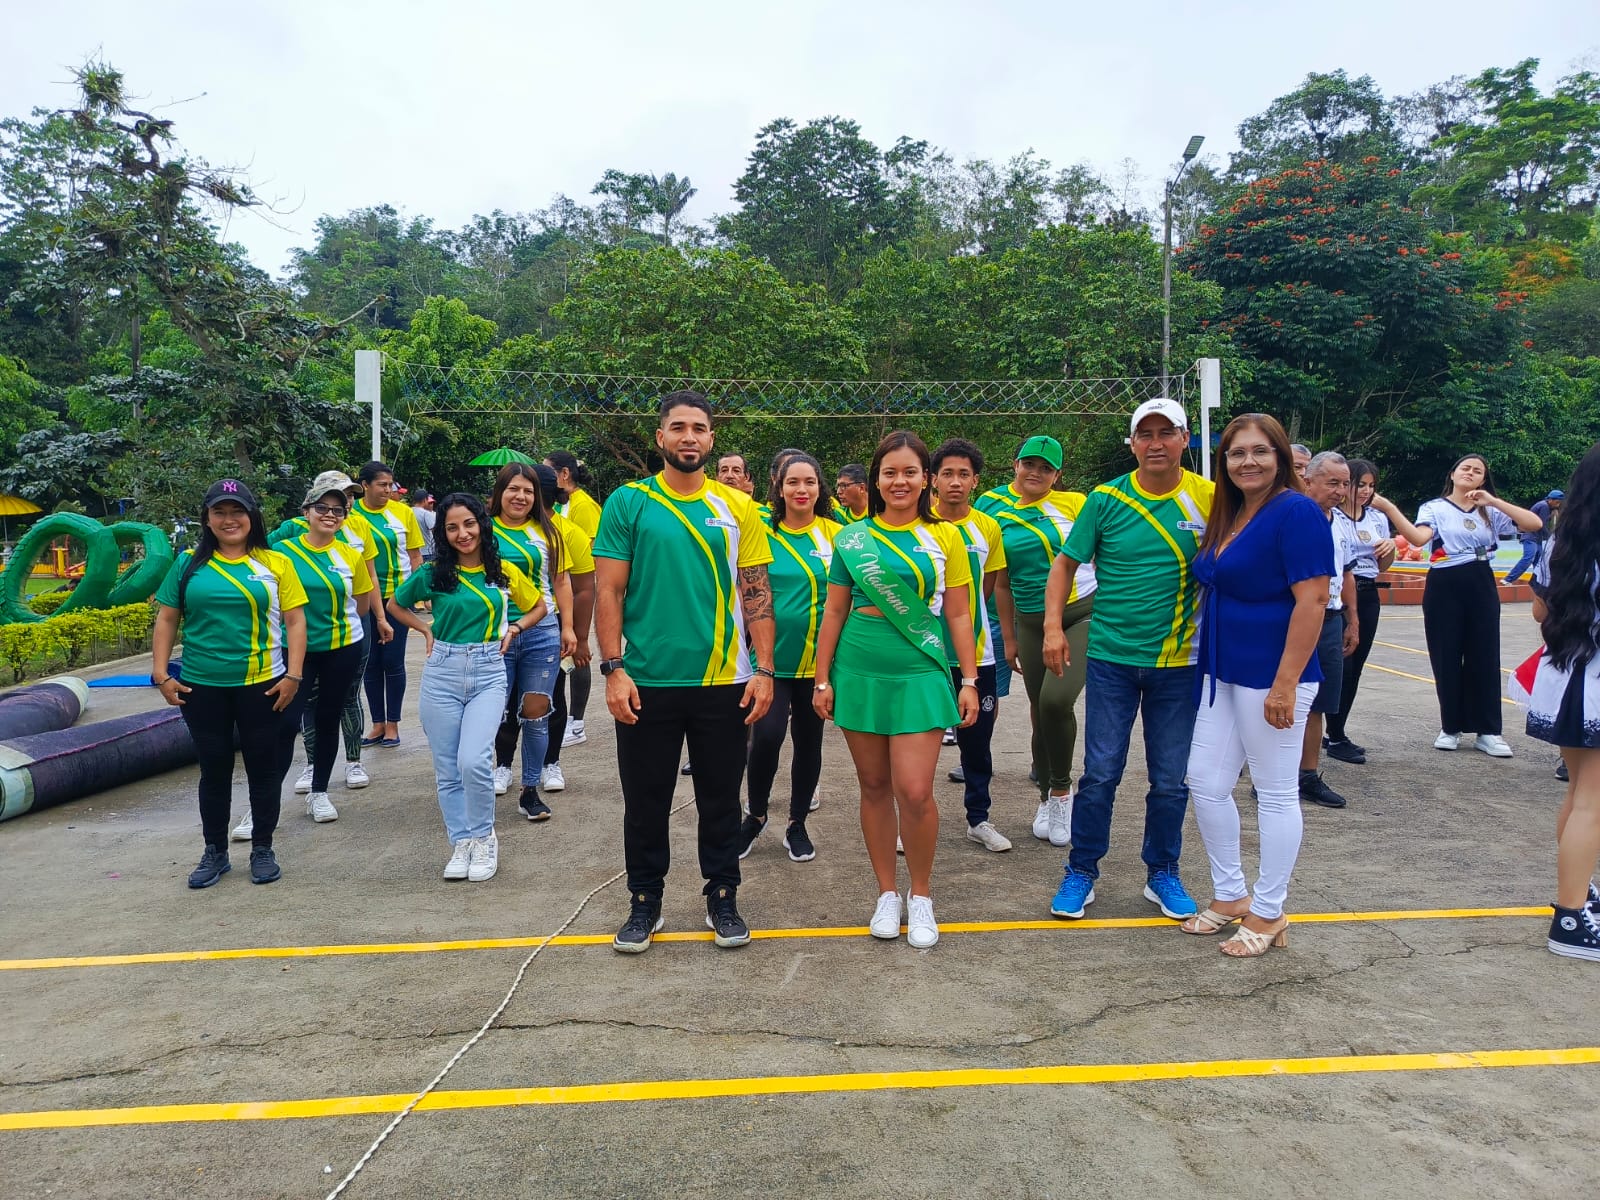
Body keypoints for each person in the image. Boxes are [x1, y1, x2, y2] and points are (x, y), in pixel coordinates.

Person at [594, 391, 776, 954]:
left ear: (711, 438)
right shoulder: (629, 501)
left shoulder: (738, 507)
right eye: (678, 427)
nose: (689, 437)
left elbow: (756, 593)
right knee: (645, 801)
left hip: (724, 681)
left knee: (720, 799)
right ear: (661, 437)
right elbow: (608, 590)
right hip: (646, 680)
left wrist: (765, 669)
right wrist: (613, 669)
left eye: (699, 428)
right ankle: (644, 901)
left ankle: (722, 895)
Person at [1041, 398, 1213, 921]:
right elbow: (1064, 565)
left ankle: (1162, 872)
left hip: (1180, 663)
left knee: (1170, 779)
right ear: (1133, 443)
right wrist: (1053, 627)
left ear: (1185, 439)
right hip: (1111, 660)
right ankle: (1081, 870)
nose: (1156, 443)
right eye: (1146, 434)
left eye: (1167, 433)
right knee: (1100, 773)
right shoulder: (1106, 498)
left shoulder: (1210, 497)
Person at [813, 431, 980, 949]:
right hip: (859, 669)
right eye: (890, 473)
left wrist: (969, 679)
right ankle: (887, 892)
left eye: (910, 472)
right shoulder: (851, 539)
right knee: (873, 786)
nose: (899, 481)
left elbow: (959, 614)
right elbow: (834, 610)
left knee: (915, 791)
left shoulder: (946, 536)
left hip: (919, 671)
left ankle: (921, 895)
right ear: (876, 480)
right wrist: (822, 678)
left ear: (925, 479)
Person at [1182, 414, 1332, 957]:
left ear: (1281, 457)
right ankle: (1231, 895)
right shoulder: (1232, 513)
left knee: (1275, 791)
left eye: (1260, 451)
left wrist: (1285, 684)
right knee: (1204, 781)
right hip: (1223, 671)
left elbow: (1314, 599)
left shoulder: (1296, 511)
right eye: (1236, 453)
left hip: (1273, 675)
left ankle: (1270, 910)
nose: (1248, 462)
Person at [151, 479, 307, 888]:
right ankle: (215, 852)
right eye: (219, 512)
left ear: (252, 516)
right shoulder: (187, 564)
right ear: (207, 519)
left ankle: (263, 849)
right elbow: (167, 618)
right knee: (214, 769)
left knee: (263, 768)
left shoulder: (275, 563)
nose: (228, 519)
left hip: (263, 685)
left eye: (237, 511)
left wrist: (293, 675)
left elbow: (295, 621)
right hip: (201, 687)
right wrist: (161, 674)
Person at [387, 492, 546, 883]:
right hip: (442, 672)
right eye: (452, 527)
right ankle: (461, 842)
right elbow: (395, 605)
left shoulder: (502, 570)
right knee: (447, 768)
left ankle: (484, 837)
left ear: (482, 525)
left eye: (469, 524)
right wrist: (426, 630)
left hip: (489, 671)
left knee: (473, 760)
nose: (462, 534)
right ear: (442, 533)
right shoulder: (434, 573)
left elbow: (539, 605)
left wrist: (515, 627)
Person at [1373, 455, 1544, 756]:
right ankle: (1450, 727)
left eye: (1478, 471)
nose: (1471, 473)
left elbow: (1534, 523)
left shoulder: (1490, 510)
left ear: (1483, 480)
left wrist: (1493, 501)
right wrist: (1389, 509)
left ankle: (1488, 731)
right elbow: (1418, 538)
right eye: (1465, 468)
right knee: (1446, 654)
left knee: (1484, 655)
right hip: (1444, 581)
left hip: (1481, 579)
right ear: (1452, 474)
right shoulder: (1434, 508)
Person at [977, 436, 1093, 848]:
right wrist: (1008, 638)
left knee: (1055, 702)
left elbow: (1102, 555)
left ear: (1057, 475)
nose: (1036, 473)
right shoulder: (993, 508)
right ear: (1015, 465)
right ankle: (1046, 796)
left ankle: (1061, 792)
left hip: (1081, 612)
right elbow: (1000, 579)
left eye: (1046, 468)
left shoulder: (1076, 504)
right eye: (1029, 464)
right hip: (1028, 621)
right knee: (1040, 711)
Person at [738, 452, 839, 863]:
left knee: (809, 742)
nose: (801, 489)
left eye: (809, 482)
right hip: (770, 664)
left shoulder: (838, 536)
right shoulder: (760, 531)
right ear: (778, 489)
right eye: (792, 482)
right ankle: (756, 814)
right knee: (766, 736)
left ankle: (797, 822)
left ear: (820, 488)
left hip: (819, 663)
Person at [264, 475, 381, 829]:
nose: (330, 515)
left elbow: (361, 603)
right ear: (306, 512)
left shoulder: (350, 554)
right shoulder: (282, 552)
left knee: (329, 719)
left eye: (338, 510)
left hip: (342, 648)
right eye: (322, 508)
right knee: (285, 724)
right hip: (294, 650)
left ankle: (319, 792)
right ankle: (263, 803)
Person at [1524, 443, 1600, 960]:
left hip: (1568, 673)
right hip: (1592, 683)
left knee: (1579, 794)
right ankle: (1570, 918)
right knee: (1592, 800)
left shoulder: (1562, 539)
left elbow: (1539, 611)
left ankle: (1578, 895)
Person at [931, 438, 1012, 851]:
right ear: (933, 479)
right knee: (919, 745)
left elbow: (988, 588)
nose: (955, 482)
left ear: (976, 481)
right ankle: (911, 820)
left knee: (977, 743)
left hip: (977, 655)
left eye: (964, 474)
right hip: (925, 654)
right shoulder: (919, 525)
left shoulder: (987, 528)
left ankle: (978, 819)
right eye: (947, 473)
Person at [487, 463, 574, 822]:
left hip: (542, 632)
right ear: (500, 492)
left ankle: (530, 790)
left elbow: (561, 582)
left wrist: (568, 628)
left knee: (537, 713)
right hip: (494, 634)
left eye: (528, 490)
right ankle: (494, 772)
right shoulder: (481, 530)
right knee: (493, 712)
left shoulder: (548, 532)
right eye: (513, 489)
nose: (520, 496)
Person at [1297, 452, 1360, 809]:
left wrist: (1353, 619)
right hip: (1297, 618)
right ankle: (1273, 775)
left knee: (1318, 702)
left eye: (1345, 484)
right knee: (1284, 697)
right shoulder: (1291, 517)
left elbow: (1347, 573)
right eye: (1332, 482)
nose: (1340, 490)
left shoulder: (1342, 523)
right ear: (1309, 481)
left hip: (1331, 619)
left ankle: (1308, 775)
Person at [1325, 459, 1397, 764]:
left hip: (1369, 592)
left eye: (1371, 486)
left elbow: (1383, 566)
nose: (1366, 491)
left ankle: (1337, 731)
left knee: (1357, 666)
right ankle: (1333, 734)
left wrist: (1390, 549)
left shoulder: (1377, 518)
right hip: (1342, 592)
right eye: (1360, 484)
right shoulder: (1334, 516)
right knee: (1342, 666)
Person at [350, 460, 424, 747]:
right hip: (362, 596)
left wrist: (416, 592)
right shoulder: (351, 514)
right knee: (370, 663)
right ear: (364, 486)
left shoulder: (403, 513)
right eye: (382, 485)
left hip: (396, 597)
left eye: (390, 485)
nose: (387, 490)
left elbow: (415, 556)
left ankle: (393, 724)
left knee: (393, 661)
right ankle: (377, 724)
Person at [536, 464, 596, 792]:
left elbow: (583, 585)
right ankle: (503, 764)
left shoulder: (573, 523)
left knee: (554, 691)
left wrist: (578, 634)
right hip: (511, 624)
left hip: (556, 621)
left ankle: (553, 758)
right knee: (509, 699)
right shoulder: (503, 529)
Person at [545, 451, 599, 748]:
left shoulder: (583, 506)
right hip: (556, 595)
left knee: (578, 652)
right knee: (563, 658)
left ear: (564, 474)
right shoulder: (560, 504)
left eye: (546, 470)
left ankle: (576, 722)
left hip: (577, 588)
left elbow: (587, 553)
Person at [1505, 490, 1561, 586]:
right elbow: (1541, 525)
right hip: (1531, 536)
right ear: (1550, 500)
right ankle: (1508, 579)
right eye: (1557, 502)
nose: (1558, 505)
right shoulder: (1544, 506)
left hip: (1536, 538)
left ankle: (1536, 583)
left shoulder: (1547, 507)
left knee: (1539, 563)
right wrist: (1551, 537)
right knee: (1529, 558)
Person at [410, 489, 437, 562]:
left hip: (412, 552)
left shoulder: (408, 512)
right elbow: (435, 531)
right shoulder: (425, 514)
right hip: (427, 552)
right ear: (425, 500)